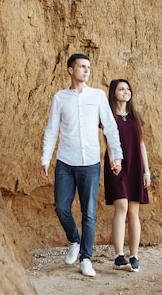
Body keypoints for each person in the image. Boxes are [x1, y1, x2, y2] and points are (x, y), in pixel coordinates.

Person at [41, 53, 124, 277]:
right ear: (71, 70)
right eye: (81, 67)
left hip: (90, 162)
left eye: (88, 67)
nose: (86, 70)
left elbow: (110, 128)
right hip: (65, 162)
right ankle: (74, 241)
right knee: (61, 207)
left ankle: (86, 258)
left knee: (89, 213)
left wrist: (117, 157)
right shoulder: (59, 98)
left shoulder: (97, 96)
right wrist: (45, 159)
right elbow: (51, 131)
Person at [104, 79, 151, 273]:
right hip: (117, 164)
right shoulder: (108, 116)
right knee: (121, 206)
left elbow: (141, 145)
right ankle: (118, 256)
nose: (126, 92)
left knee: (134, 212)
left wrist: (146, 171)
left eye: (128, 89)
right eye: (121, 89)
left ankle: (134, 256)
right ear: (114, 93)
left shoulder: (135, 117)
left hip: (136, 166)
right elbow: (107, 140)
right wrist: (113, 161)